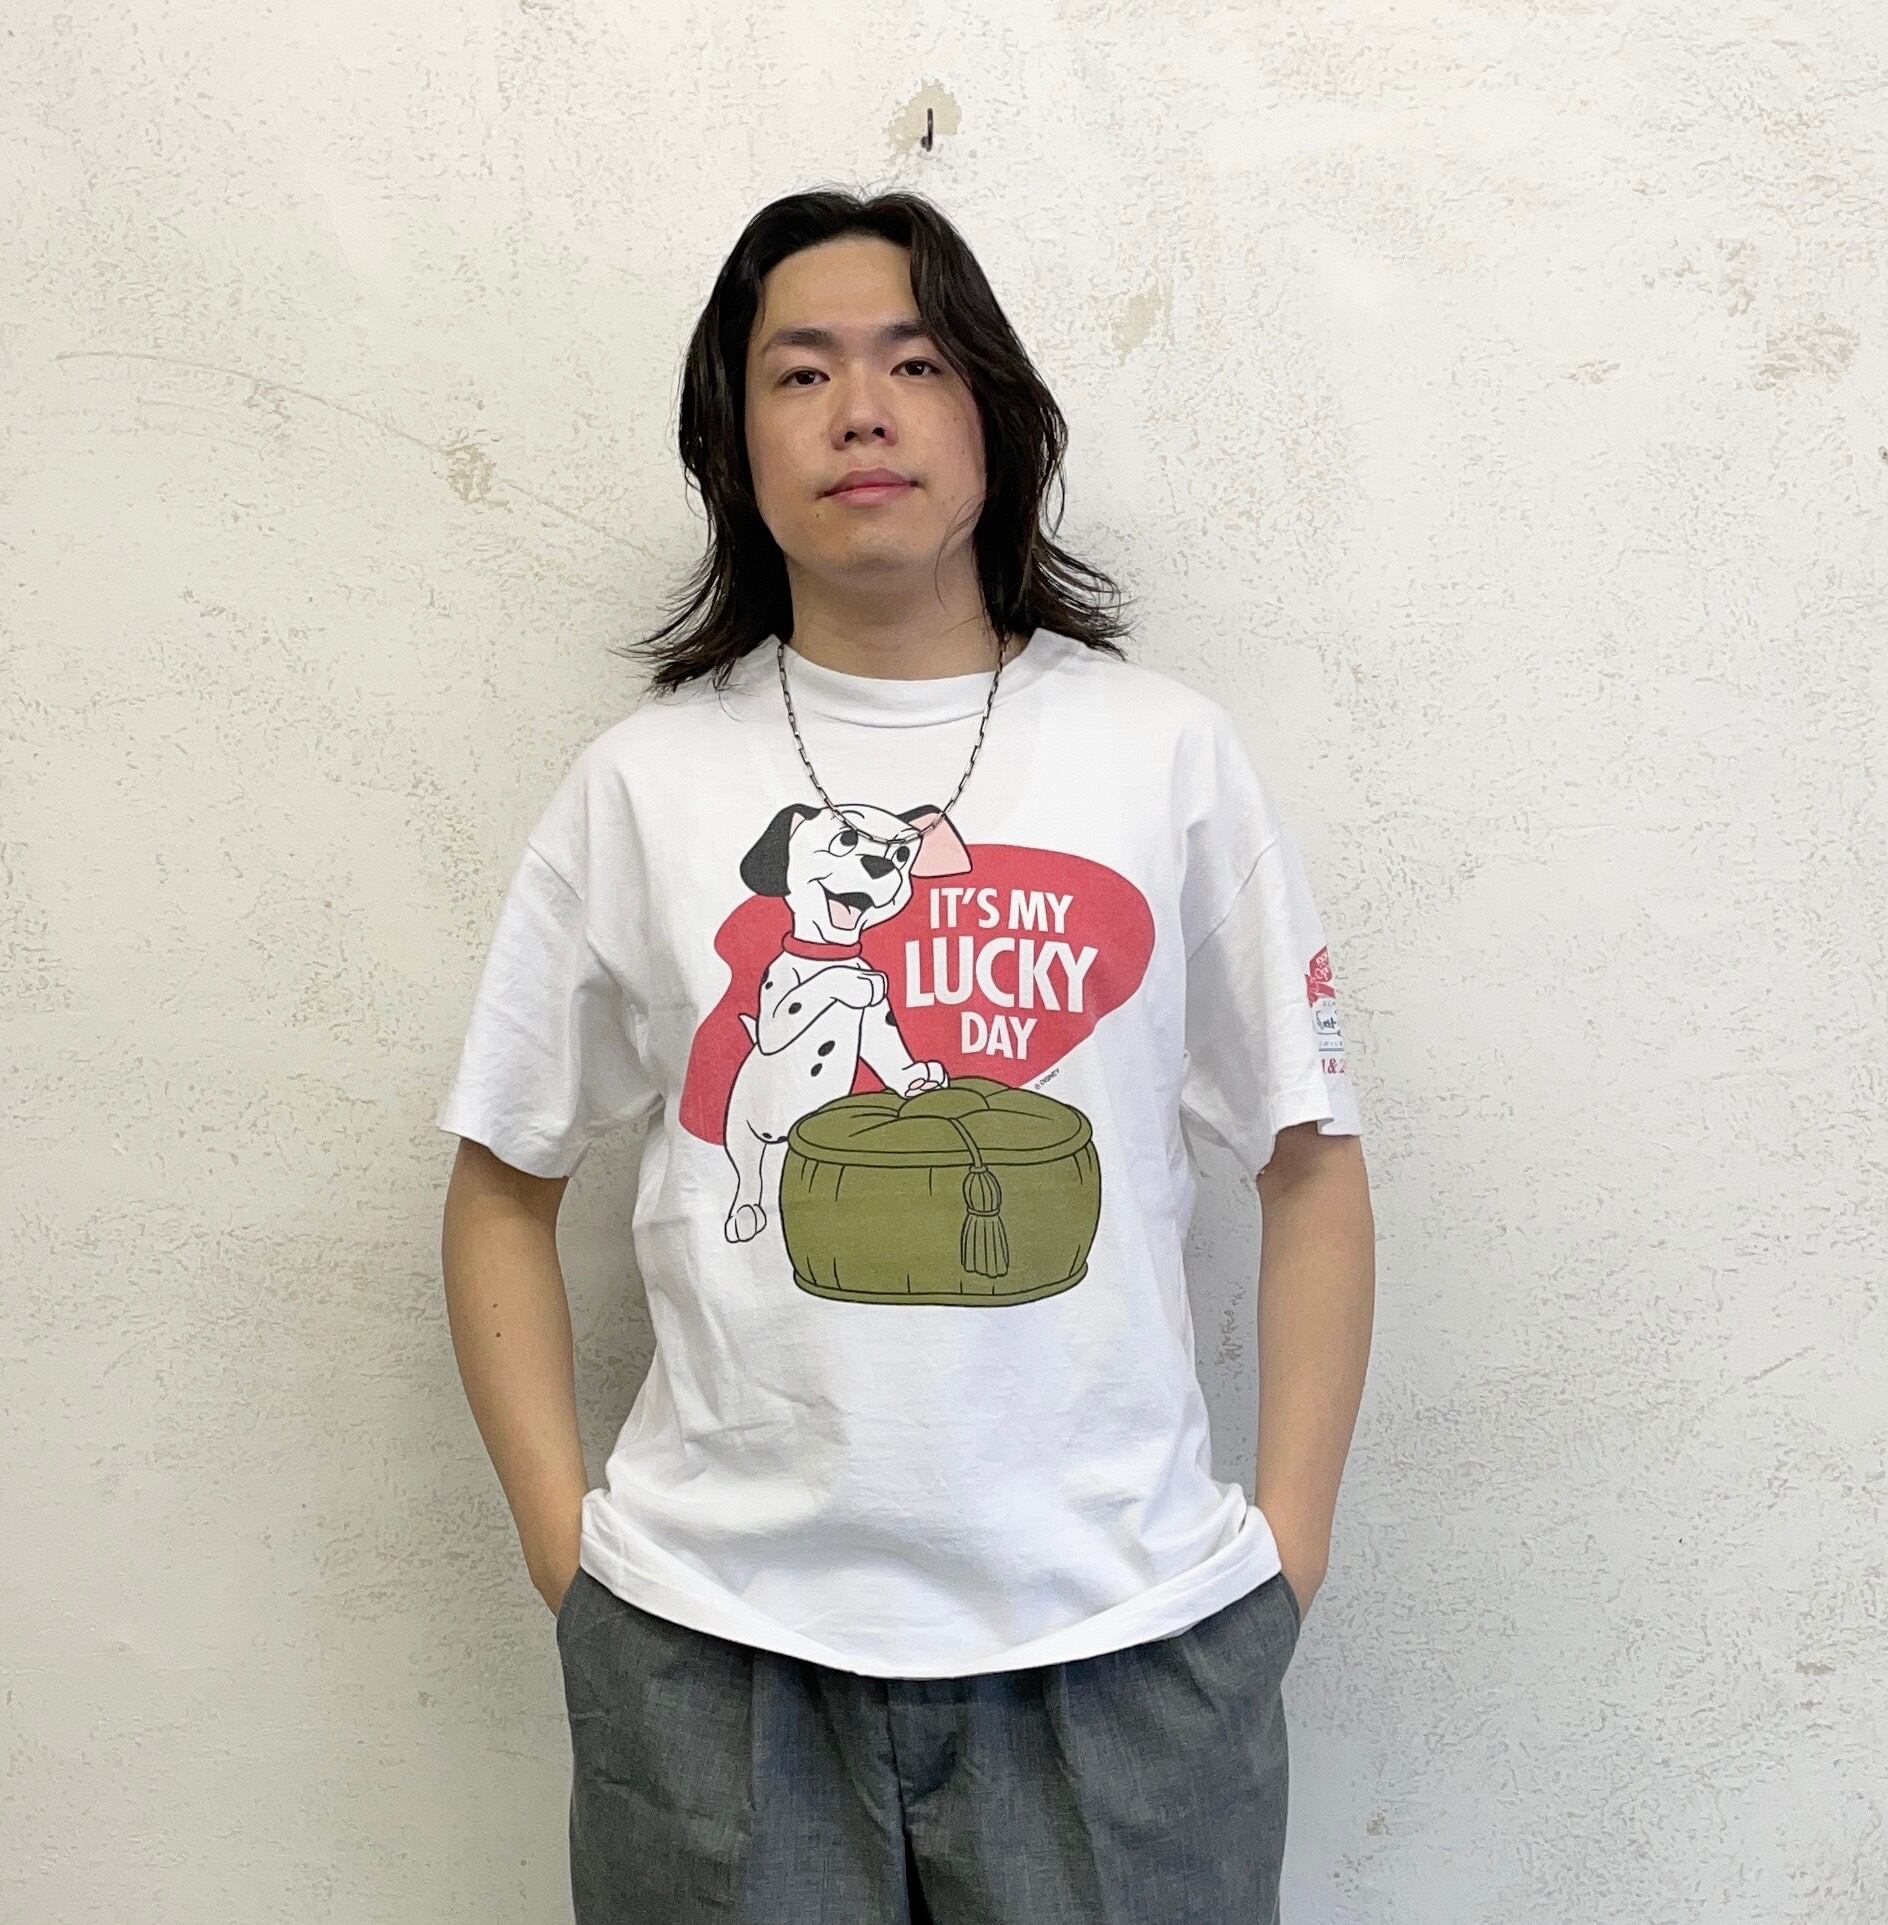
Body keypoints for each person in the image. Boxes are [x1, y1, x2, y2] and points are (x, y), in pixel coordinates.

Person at [436, 187, 1377, 1925]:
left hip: (1128, 1645)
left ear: (994, 415)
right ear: (731, 441)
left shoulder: (1162, 754)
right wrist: (575, 1563)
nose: (860, 410)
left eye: (915, 361)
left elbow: (1308, 1162)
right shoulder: (642, 785)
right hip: (712, 1653)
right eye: (800, 372)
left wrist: (1279, 1557)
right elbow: (501, 1179)